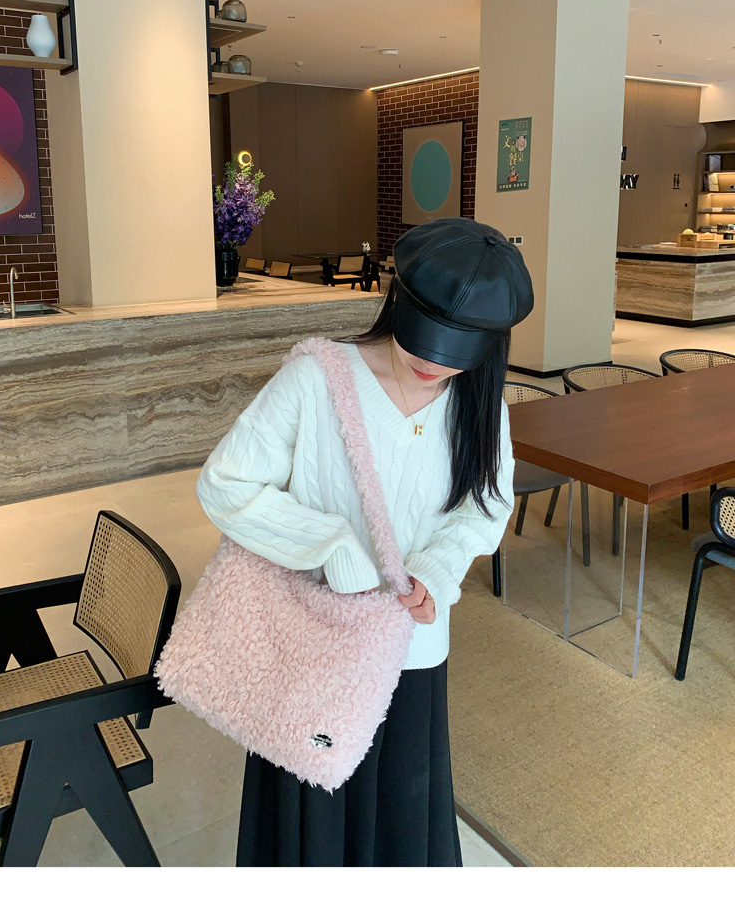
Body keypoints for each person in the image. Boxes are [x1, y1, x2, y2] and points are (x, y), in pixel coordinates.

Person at [196, 216, 534, 867]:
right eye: (426, 338)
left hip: (412, 652)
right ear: (397, 299)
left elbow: (487, 505)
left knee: (402, 818)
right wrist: (328, 542)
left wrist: (438, 568)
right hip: (315, 647)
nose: (434, 363)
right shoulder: (317, 379)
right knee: (312, 823)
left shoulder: (478, 403)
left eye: (458, 350)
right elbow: (225, 482)